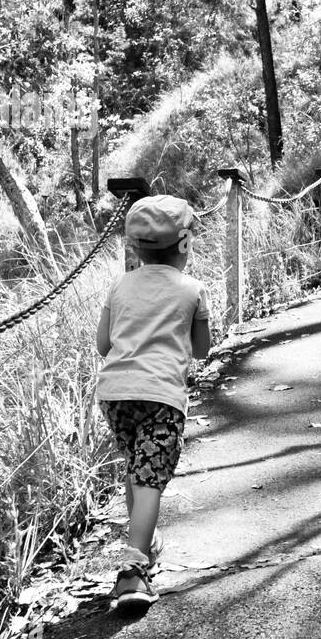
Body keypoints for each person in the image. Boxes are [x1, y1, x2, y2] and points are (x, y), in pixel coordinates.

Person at [95, 195, 211, 617]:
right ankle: (131, 571)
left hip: (114, 394)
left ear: (134, 247)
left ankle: (143, 543)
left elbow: (102, 344)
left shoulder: (120, 285)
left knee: (137, 468)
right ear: (183, 245)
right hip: (161, 396)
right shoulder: (191, 290)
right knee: (148, 478)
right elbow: (201, 349)